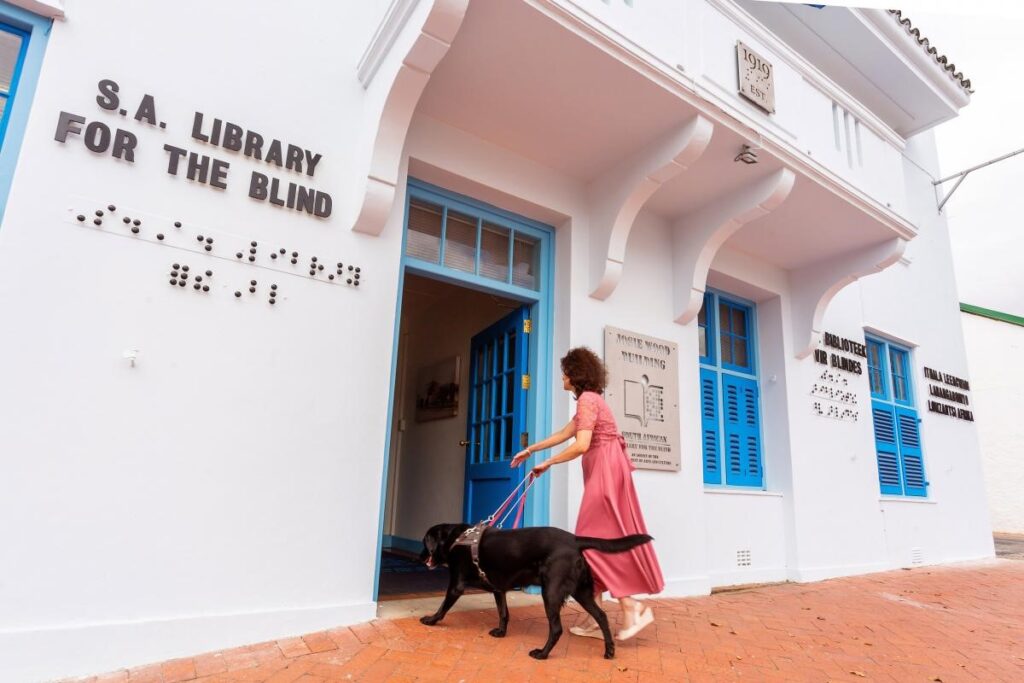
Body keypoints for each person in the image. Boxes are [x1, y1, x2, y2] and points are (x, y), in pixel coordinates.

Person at [510, 347, 664, 641]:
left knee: (591, 541)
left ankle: (631, 607)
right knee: (598, 540)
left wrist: (549, 462)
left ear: (573, 374)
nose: (562, 378)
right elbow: (564, 434)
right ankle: (596, 614)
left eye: (564, 372)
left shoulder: (589, 401)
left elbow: (581, 444)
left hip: (605, 473)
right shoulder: (589, 401)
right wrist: (531, 451)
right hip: (604, 471)